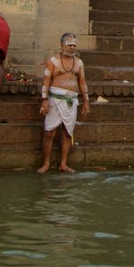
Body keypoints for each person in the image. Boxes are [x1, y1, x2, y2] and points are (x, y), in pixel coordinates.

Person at [38, 33, 90, 173]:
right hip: (54, 99)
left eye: (74, 45)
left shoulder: (79, 63)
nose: (72, 48)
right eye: (70, 45)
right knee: (50, 132)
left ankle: (63, 164)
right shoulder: (53, 61)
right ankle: (46, 163)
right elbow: (46, 82)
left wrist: (86, 101)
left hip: (71, 100)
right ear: (62, 45)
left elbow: (82, 82)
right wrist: (44, 100)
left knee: (68, 133)